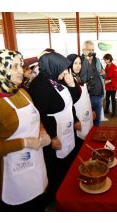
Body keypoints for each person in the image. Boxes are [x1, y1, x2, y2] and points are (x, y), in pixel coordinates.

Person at [0, 49, 50, 211]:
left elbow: (35, 119)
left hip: (35, 169)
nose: (20, 71)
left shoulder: (22, 93)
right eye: (14, 66)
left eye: (20, 66)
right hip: (12, 177)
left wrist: (43, 132)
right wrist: (23, 142)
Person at [28, 51, 81, 205]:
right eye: (63, 69)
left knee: (67, 163)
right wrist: (52, 137)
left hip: (66, 130)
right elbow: (41, 115)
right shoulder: (40, 85)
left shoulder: (55, 79)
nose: (65, 72)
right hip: (54, 133)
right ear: (53, 66)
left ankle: (67, 191)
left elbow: (72, 101)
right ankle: (56, 199)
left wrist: (71, 85)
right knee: (55, 168)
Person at [67, 53, 93, 142]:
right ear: (69, 63)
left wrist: (91, 111)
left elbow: (86, 99)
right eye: (75, 63)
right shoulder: (68, 80)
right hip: (77, 119)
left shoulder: (78, 77)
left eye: (79, 63)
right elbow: (68, 104)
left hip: (86, 116)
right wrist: (75, 120)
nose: (78, 66)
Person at [80, 40, 105, 126]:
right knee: (87, 120)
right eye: (88, 49)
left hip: (99, 95)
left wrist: (103, 73)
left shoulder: (97, 60)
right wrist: (86, 60)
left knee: (97, 120)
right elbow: (81, 75)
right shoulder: (79, 60)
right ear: (83, 50)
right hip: (87, 96)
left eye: (92, 49)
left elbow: (103, 75)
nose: (91, 52)